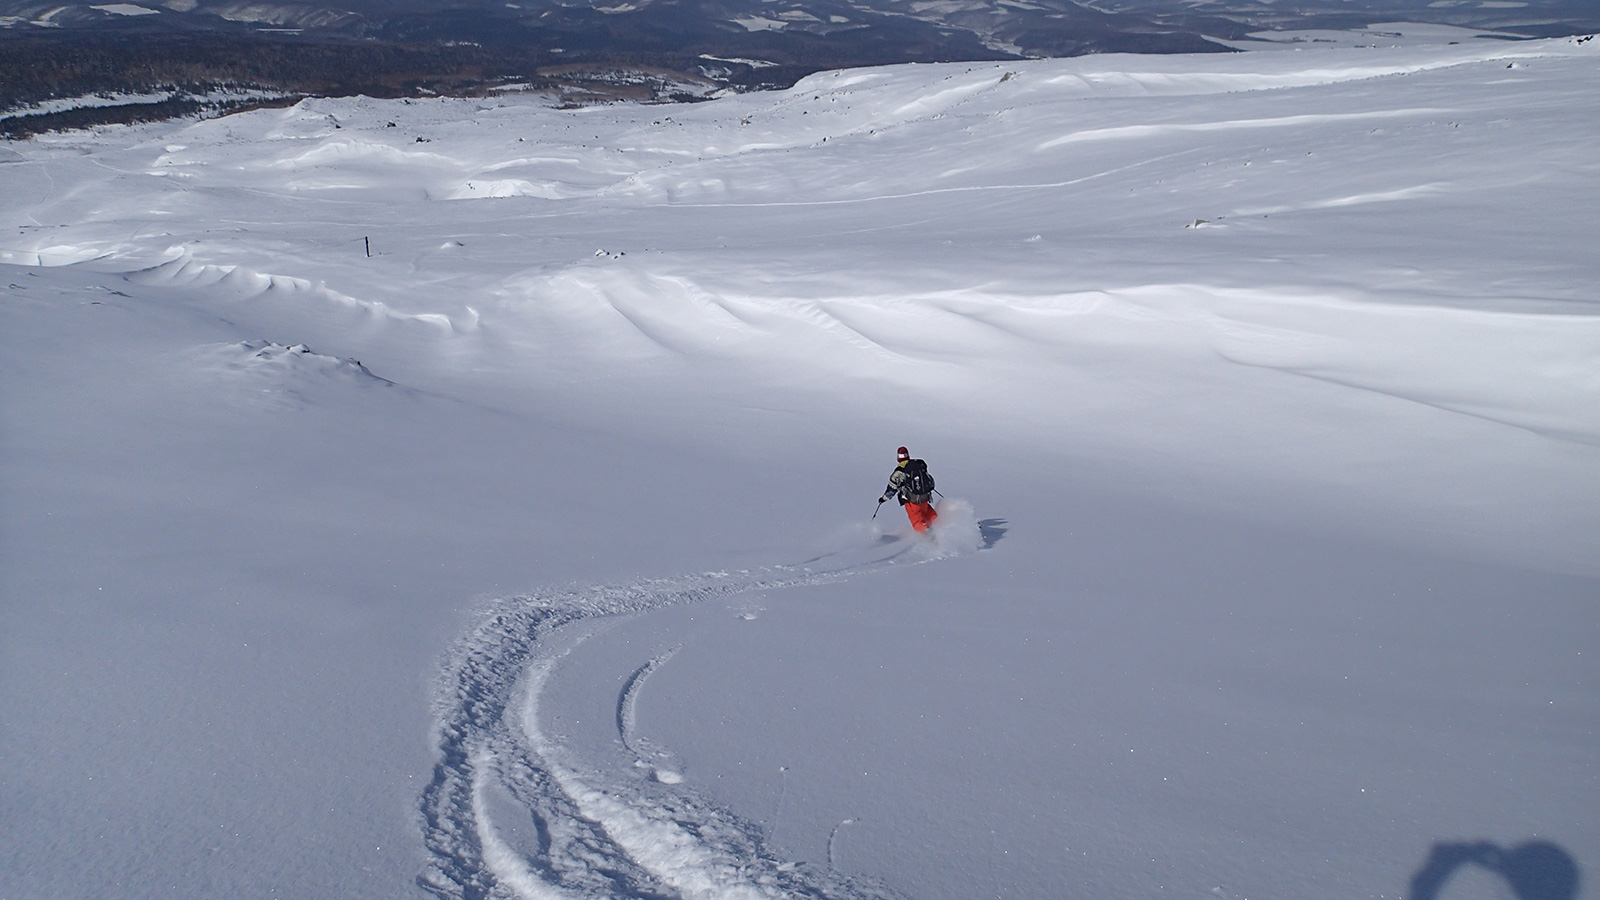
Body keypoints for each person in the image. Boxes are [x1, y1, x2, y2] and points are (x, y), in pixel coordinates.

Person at [878, 446, 938, 533]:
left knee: (917, 522)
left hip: (911, 501)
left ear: (898, 457)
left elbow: (892, 488)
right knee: (930, 515)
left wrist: (883, 499)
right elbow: (930, 481)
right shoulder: (918, 466)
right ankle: (943, 527)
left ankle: (928, 533)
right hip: (925, 498)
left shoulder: (899, 471)